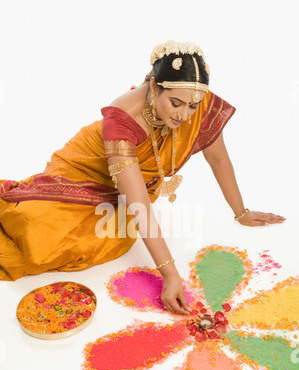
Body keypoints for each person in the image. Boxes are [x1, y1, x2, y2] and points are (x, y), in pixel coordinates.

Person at [0, 40, 285, 314]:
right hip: (82, 171)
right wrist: (170, 274)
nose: (185, 115)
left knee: (114, 237)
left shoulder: (194, 96)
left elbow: (218, 157)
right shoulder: (122, 119)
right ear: (153, 86)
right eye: (176, 103)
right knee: (36, 237)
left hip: (129, 187)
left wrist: (241, 213)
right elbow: (137, 204)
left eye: (193, 106)